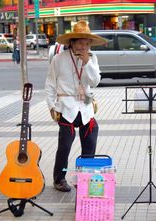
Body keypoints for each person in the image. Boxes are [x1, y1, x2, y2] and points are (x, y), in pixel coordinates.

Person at [44, 20, 107, 192]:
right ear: (72, 42)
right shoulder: (58, 59)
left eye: (87, 43)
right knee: (65, 145)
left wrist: (87, 63)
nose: (83, 47)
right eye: (80, 43)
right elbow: (50, 84)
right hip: (66, 106)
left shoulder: (92, 58)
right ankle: (60, 178)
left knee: (90, 138)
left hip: (85, 104)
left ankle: (85, 176)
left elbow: (94, 82)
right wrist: (52, 107)